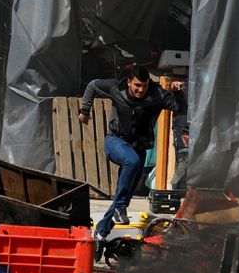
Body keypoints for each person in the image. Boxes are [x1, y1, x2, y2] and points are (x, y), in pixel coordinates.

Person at [78, 67, 185, 248]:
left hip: (139, 147)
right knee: (131, 162)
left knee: (125, 196)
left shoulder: (157, 94)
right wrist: (85, 110)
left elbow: (179, 109)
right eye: (137, 86)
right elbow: (92, 86)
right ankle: (119, 209)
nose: (140, 90)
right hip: (116, 141)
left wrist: (178, 93)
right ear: (129, 82)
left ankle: (101, 234)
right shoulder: (115, 88)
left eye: (144, 86)